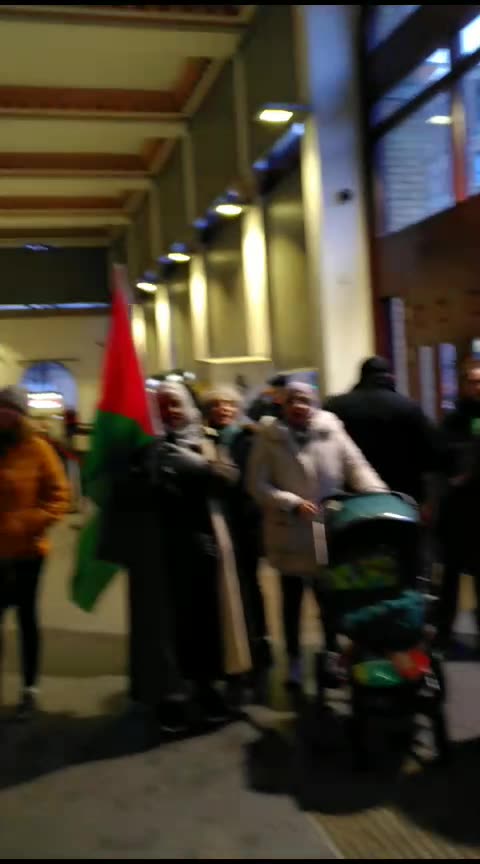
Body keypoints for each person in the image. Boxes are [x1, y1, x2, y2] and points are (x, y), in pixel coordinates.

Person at [101, 381, 251, 733]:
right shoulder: (145, 448)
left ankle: (205, 687)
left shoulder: (207, 440)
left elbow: (230, 479)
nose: (170, 412)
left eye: (176, 404)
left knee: (206, 625)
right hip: (159, 553)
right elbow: (125, 493)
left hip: (203, 548)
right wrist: (144, 467)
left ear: (189, 407)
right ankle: (171, 696)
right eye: (163, 405)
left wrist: (201, 466)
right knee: (166, 628)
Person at [248, 381, 386, 687]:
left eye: (305, 399)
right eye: (293, 400)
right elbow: (257, 484)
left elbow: (357, 466)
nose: (299, 405)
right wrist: (290, 503)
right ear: (283, 406)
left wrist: (378, 495)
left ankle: (331, 656)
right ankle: (294, 660)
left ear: (315, 403)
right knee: (291, 601)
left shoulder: (332, 431)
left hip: (328, 527)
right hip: (290, 532)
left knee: (330, 600)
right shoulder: (268, 438)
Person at [0, 386, 69, 718]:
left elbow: (59, 497)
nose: (4, 414)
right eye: (1, 408)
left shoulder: (37, 448)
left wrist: (29, 522)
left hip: (28, 552)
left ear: (21, 414)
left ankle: (30, 688)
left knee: (27, 617)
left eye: (10, 409)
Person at [202, 386, 271, 690]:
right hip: (216, 521)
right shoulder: (201, 438)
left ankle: (258, 639)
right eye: (216, 405)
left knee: (250, 581)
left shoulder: (248, 437)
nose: (223, 410)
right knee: (226, 583)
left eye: (228, 405)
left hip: (245, 520)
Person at [324, 357, 440, 505]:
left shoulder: (335, 407)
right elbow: (431, 452)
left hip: (352, 497)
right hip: (403, 495)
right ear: (390, 377)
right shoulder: (408, 407)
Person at [436, 363, 480, 652]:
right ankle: (443, 632)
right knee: (450, 576)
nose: (477, 387)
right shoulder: (451, 422)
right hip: (456, 511)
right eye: (472, 382)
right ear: (463, 385)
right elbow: (439, 460)